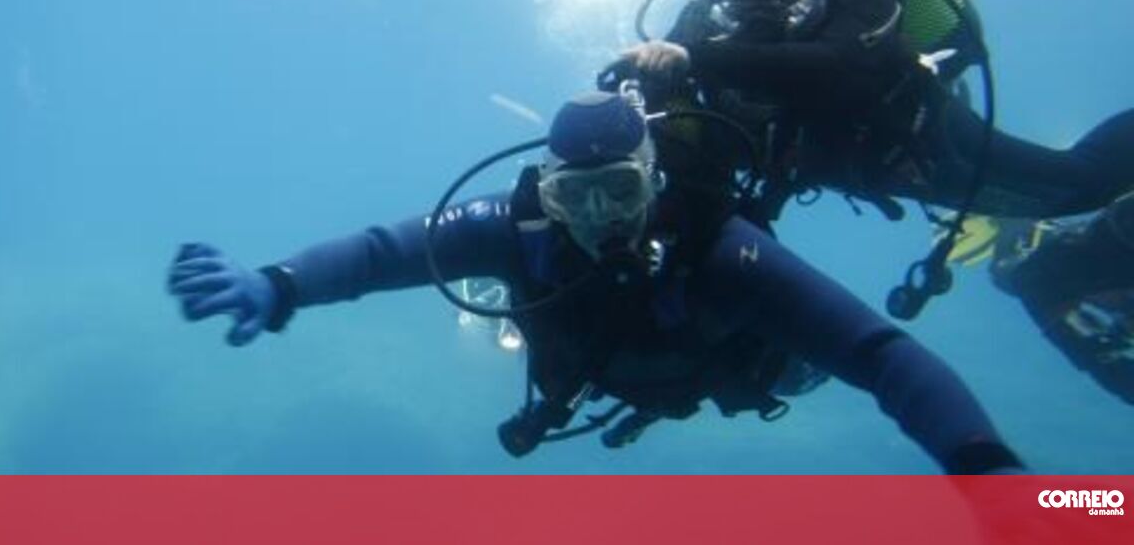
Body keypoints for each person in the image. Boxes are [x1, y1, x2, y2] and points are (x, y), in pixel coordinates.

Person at [166, 88, 1024, 473]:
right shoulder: (516, 228)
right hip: (606, 375)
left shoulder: (719, 251)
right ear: (547, 191)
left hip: (732, 366)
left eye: (620, 190)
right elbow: (381, 252)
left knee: (801, 364)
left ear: (654, 181)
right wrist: (279, 284)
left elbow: (881, 356)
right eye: (576, 196)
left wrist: (984, 469)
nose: (602, 215)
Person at [621, 0, 1134, 226]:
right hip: (829, 164)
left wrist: (696, 59)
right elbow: (658, 90)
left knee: (1076, 189)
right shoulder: (709, 17)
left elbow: (836, 67)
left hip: (917, 151)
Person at [975, 193, 1134, 405]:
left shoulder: (1058, 272)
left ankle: (1013, 220)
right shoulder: (1058, 270)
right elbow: (1099, 358)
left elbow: (1100, 359)